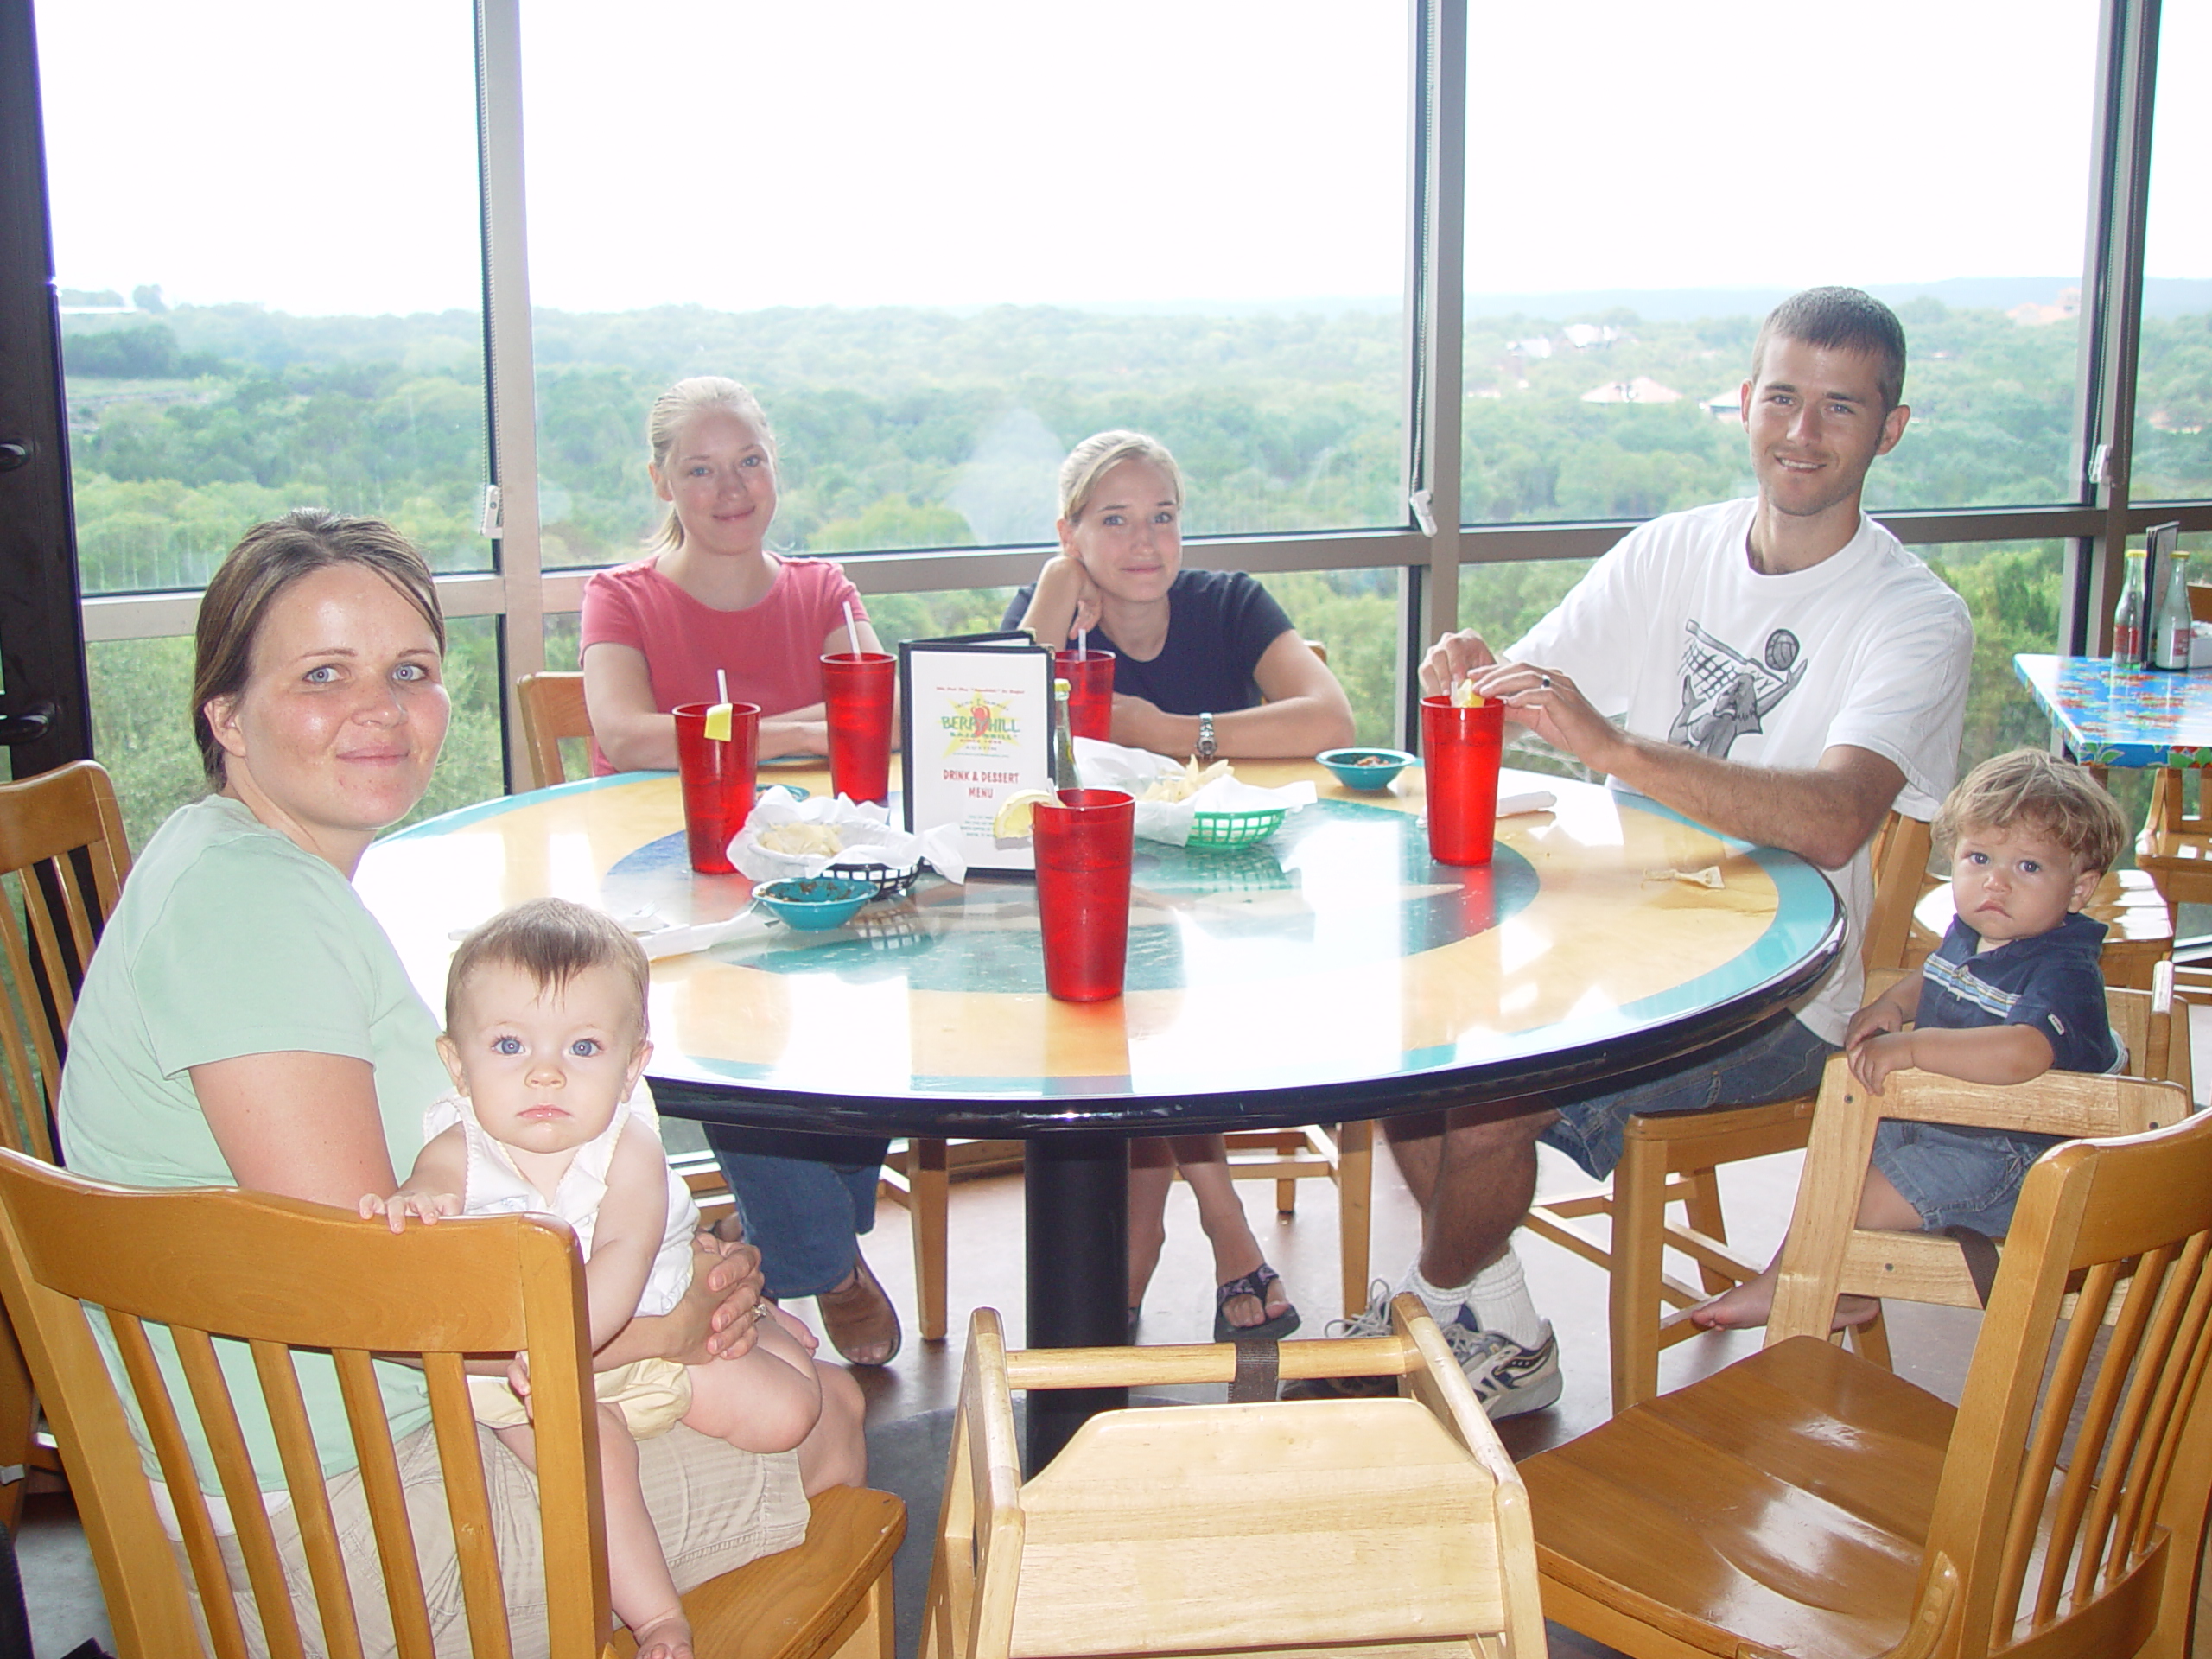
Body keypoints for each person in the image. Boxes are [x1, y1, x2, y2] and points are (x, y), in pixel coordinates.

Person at [58, 510, 863, 1657]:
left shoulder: (249, 868)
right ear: (225, 714)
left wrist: (673, 1293)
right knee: (826, 1422)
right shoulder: (252, 919)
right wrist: (664, 1330)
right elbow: (379, 1297)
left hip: (353, 1440)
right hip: (341, 1531)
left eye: (411, 670)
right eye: (323, 674)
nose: (380, 708)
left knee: (782, 1353)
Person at [1302, 287, 1975, 1415]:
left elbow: (1835, 819)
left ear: (1889, 429)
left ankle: (1425, 1314)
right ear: (1746, 404)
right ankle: (1495, 1323)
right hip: (1615, 934)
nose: (1801, 433)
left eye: (1840, 409)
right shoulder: (1676, 550)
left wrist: (1614, 744)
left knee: (1479, 1099)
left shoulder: (1912, 614)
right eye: (1781, 398)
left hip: (1780, 995)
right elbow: (1522, 692)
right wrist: (1471, 673)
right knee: (1384, 1037)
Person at [370, 899, 837, 1659]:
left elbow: (620, 1256)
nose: (546, 1072)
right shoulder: (458, 1148)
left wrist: (560, 1343)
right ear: (457, 1063)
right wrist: (411, 1207)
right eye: (510, 1045)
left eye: (584, 1047)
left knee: (790, 1412)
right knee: (596, 1468)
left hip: (638, 1343)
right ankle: (658, 1619)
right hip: (524, 1387)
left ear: (632, 1066)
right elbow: (425, 1200)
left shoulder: (629, 1151)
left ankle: (775, 1330)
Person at [1007, 429, 1357, 1338]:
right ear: (1070, 533)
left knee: (1146, 1008)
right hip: (1095, 896)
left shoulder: (1227, 603)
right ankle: (1220, 1224)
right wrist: (1049, 596)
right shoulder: (1053, 616)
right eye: (1113, 521)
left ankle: (1138, 1257)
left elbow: (1329, 717)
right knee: (1137, 999)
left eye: (1161, 517)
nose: (1144, 544)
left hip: (1231, 900)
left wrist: (1170, 731)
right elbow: (993, 744)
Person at [582, 376, 900, 1365]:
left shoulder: (821, 587)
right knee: (736, 1043)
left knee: (859, 1026)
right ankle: (825, 1264)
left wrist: (782, 731)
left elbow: (872, 713)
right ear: (661, 481)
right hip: (668, 887)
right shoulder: (621, 595)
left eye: (749, 463)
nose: (730, 490)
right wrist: (799, 727)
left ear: (777, 471)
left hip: (816, 885)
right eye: (701, 470)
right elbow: (625, 733)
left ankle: (790, 1245)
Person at [1694, 748, 2127, 1331]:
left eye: (2029, 867)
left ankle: (1790, 1285)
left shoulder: (2064, 968)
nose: (1995, 882)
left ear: (2079, 890)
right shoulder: (1976, 932)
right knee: (1835, 1162)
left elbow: (2025, 1050)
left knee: (1858, 1198)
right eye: (1979, 858)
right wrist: (1892, 1006)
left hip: (2014, 1156)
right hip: (1946, 1124)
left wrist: (1916, 1049)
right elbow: (1936, 981)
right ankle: (1826, 1286)